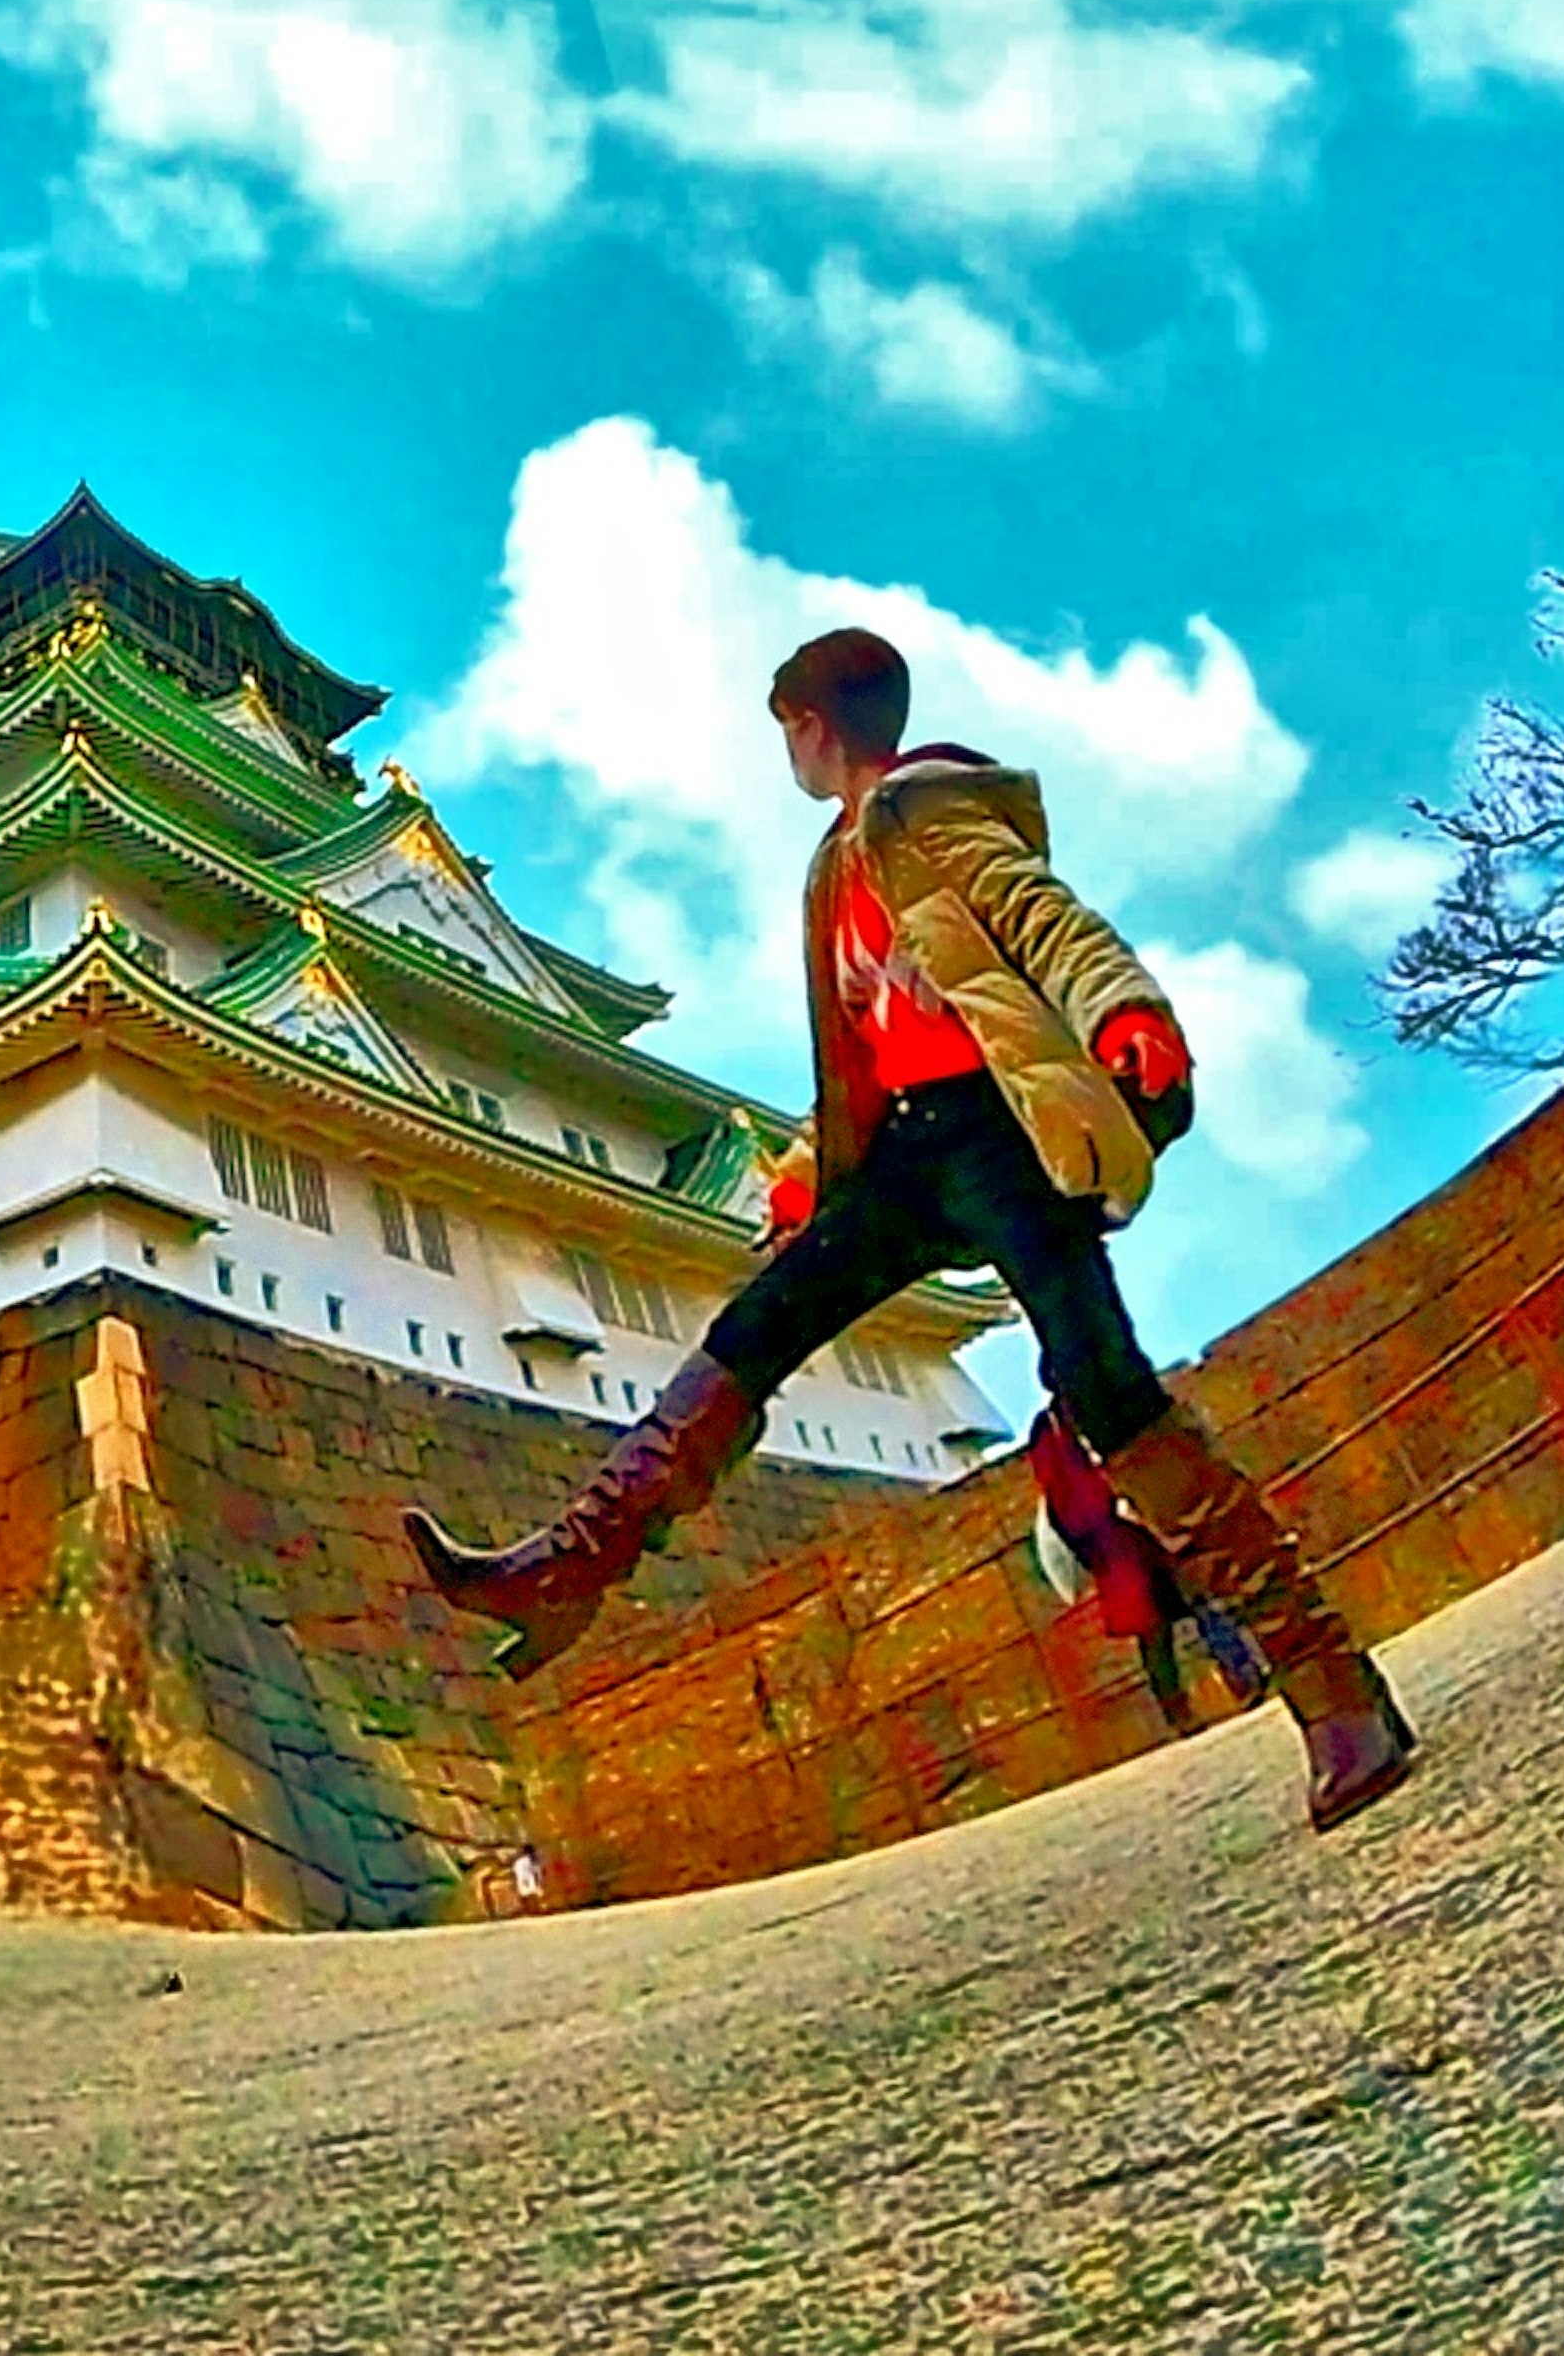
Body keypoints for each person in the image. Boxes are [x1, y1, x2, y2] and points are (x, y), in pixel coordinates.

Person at [403, 622, 1416, 1835]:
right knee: (756, 1327)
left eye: (788, 725)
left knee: (1105, 1384)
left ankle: (1336, 1692)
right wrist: (803, 1182)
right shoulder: (831, 871)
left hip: (1001, 1129)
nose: (785, 746)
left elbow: (1045, 920)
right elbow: (850, 1066)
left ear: (813, 726)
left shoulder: (930, 813)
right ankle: (571, 1564)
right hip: (898, 1158)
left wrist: (1128, 1011)